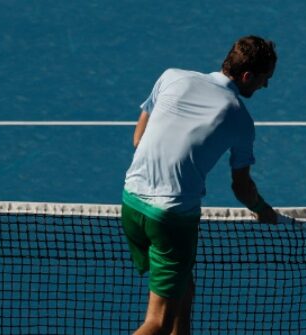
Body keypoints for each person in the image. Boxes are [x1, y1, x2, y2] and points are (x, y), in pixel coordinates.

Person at [121, 35, 279, 335]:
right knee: (157, 321)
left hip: (131, 203)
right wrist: (262, 210)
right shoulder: (239, 117)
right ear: (247, 76)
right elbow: (241, 187)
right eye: (263, 79)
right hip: (170, 217)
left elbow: (138, 139)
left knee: (184, 287)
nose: (265, 86)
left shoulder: (172, 76)